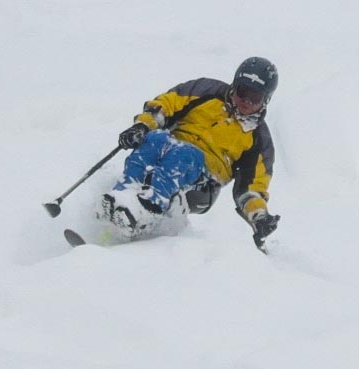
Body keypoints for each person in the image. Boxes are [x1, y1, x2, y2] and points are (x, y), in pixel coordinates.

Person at [97, 57, 280, 247]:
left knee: (185, 154)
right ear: (234, 86)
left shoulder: (258, 139)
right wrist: (143, 125)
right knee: (154, 139)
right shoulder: (207, 91)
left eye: (255, 98)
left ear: (266, 100)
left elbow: (252, 190)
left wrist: (259, 216)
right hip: (169, 152)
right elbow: (167, 104)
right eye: (243, 92)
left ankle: (148, 209)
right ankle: (122, 195)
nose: (246, 102)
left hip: (203, 185)